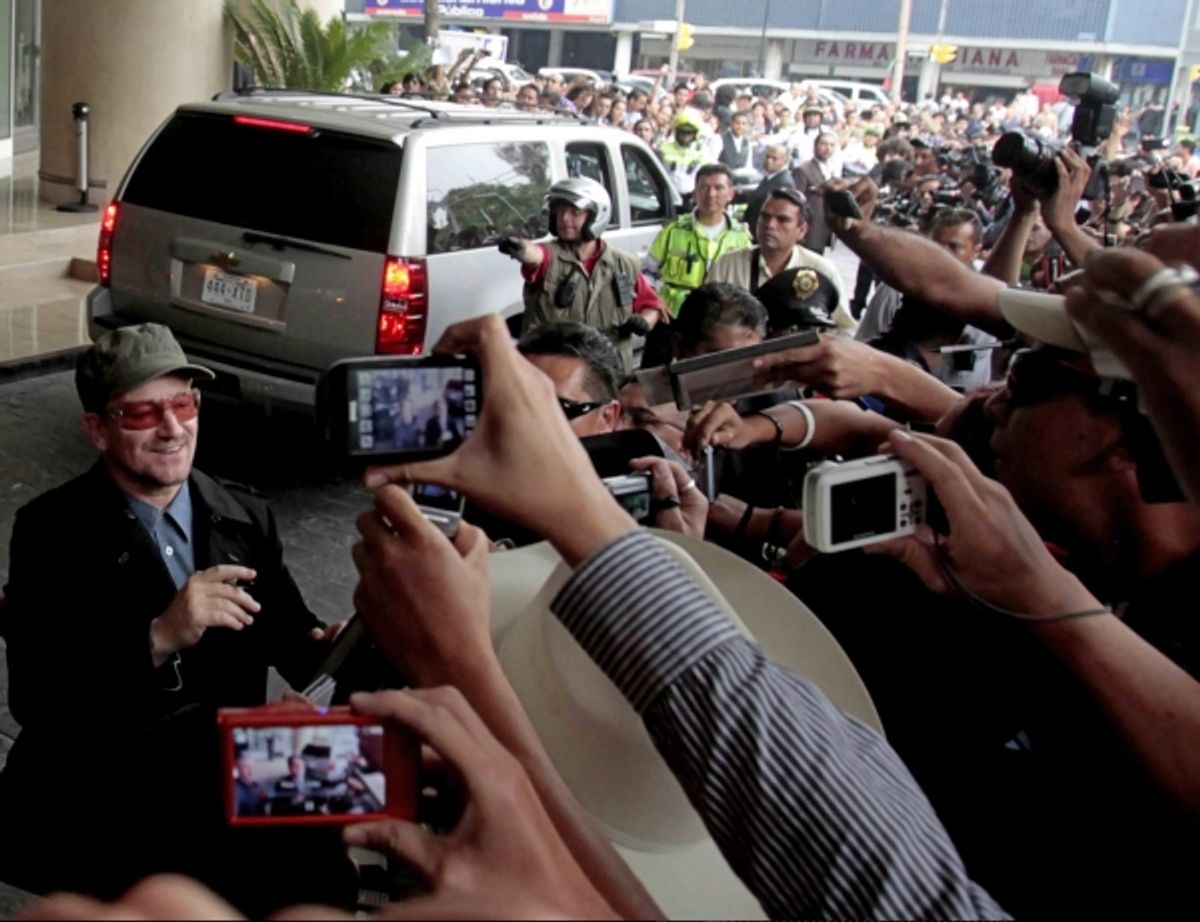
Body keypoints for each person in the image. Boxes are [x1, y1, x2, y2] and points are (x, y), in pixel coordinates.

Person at [0, 323, 349, 908]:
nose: (171, 428)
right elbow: (37, 701)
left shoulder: (243, 515)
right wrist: (158, 636)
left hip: (226, 766)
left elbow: (293, 638)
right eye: (142, 413)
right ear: (97, 429)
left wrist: (340, 649)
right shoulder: (50, 532)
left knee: (342, 837)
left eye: (183, 404)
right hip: (110, 788)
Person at [499, 178, 663, 369]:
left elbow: (652, 305)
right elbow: (535, 255)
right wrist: (520, 248)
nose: (564, 218)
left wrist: (644, 321)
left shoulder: (623, 264)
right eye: (559, 210)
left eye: (574, 212)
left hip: (608, 372)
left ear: (596, 216)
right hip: (555, 369)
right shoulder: (548, 257)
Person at [706, 187, 856, 333]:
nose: (770, 225)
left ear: (802, 230)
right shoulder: (728, 264)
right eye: (765, 216)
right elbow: (705, 318)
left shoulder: (821, 271)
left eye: (782, 220)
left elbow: (846, 329)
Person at [644, 163, 753, 317]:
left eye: (718, 188)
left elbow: (748, 285)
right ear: (695, 193)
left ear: (731, 194)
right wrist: (655, 298)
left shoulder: (740, 237)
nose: (711, 194)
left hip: (720, 321)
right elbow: (647, 272)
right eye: (704, 187)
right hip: (674, 317)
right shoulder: (673, 231)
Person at [793, 131, 842, 253]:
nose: (828, 148)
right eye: (824, 144)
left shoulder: (832, 168)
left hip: (824, 227)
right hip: (809, 230)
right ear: (815, 146)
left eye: (832, 145)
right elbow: (797, 201)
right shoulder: (803, 169)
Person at [658, 109, 712, 199]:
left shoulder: (703, 152)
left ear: (695, 134)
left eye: (689, 133)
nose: (685, 136)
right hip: (667, 196)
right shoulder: (664, 149)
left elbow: (708, 177)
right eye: (682, 132)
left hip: (692, 198)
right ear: (676, 132)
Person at [743, 143, 796, 235]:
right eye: (767, 157)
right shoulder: (769, 177)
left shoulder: (784, 182)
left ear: (785, 161)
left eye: (774, 159)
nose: (769, 161)